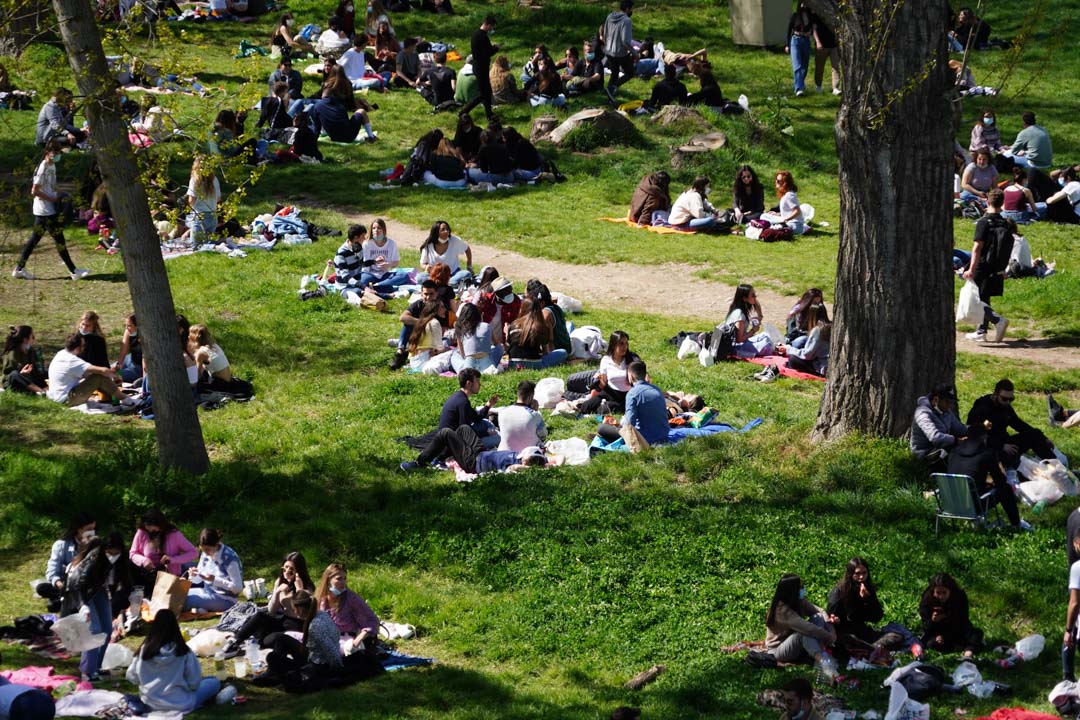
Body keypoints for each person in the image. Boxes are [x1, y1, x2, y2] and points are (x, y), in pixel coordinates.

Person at [12, 140, 88, 281]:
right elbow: (34, 191)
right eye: (55, 153)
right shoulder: (43, 168)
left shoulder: (52, 166)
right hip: (45, 210)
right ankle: (74, 271)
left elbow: (52, 186)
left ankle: (18, 269)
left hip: (47, 209)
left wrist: (63, 194)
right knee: (59, 240)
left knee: (34, 240)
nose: (57, 156)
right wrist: (52, 199)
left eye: (59, 153)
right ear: (48, 153)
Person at [125, 609, 221, 713]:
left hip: (150, 703)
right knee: (213, 682)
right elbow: (194, 683)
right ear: (175, 627)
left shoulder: (144, 650)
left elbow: (132, 677)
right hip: (181, 704)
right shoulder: (183, 651)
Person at [223, 552, 315, 657]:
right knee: (260, 616)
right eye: (285, 568)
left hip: (297, 627)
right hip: (282, 622)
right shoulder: (280, 582)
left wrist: (299, 590)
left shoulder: (307, 587)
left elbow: (305, 614)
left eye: (291, 570)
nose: (287, 572)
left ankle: (264, 641)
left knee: (270, 639)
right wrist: (276, 593)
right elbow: (271, 611)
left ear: (298, 571)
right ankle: (235, 642)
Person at [967, 378, 1060, 474]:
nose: (1008, 402)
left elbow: (1019, 424)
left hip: (1006, 443)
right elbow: (974, 435)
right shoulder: (982, 408)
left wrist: (1043, 438)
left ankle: (1057, 469)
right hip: (990, 448)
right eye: (1004, 399)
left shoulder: (1005, 407)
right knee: (1008, 457)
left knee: (1034, 434)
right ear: (995, 394)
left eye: (1011, 399)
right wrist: (1001, 446)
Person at [947, 426, 1028, 530]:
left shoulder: (954, 452)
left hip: (950, 504)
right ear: (984, 438)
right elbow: (1000, 481)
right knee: (1005, 489)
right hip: (973, 506)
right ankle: (1016, 524)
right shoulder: (986, 454)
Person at [961, 188, 1013, 343]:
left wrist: (970, 269)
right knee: (984, 296)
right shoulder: (1006, 222)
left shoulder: (983, 222)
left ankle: (997, 320)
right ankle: (981, 331)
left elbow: (977, 247)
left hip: (982, 265)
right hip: (996, 266)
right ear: (1002, 203)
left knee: (975, 299)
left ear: (987, 202)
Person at [826, 558, 905, 655]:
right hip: (845, 634)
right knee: (848, 641)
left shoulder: (868, 589)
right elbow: (829, 620)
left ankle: (869, 650)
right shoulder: (838, 593)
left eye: (864, 573)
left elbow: (876, 617)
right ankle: (872, 651)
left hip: (862, 632)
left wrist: (868, 599)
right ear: (850, 575)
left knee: (897, 637)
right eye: (857, 574)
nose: (861, 577)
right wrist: (835, 621)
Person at [60, 538, 112, 681]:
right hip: (81, 594)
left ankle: (97, 666)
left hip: (97, 590)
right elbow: (76, 586)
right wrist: (83, 606)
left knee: (107, 629)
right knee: (94, 630)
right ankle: (88, 671)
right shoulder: (89, 562)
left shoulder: (114, 561)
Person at [401, 425, 549, 474]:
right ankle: (439, 459)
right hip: (481, 453)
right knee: (464, 429)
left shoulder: (518, 465)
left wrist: (530, 468)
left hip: (473, 463)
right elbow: (557, 459)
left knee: (446, 433)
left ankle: (419, 463)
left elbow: (515, 467)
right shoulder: (522, 456)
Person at [764, 573, 836, 664]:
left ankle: (819, 649)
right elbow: (809, 629)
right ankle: (822, 660)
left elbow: (820, 611)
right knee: (802, 634)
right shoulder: (783, 611)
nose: (803, 589)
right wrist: (829, 636)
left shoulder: (799, 601)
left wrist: (829, 626)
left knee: (818, 617)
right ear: (793, 591)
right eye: (800, 586)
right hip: (778, 650)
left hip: (794, 642)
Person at [46, 334, 134, 407]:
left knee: (95, 376)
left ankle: (114, 396)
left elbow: (86, 374)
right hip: (67, 399)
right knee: (98, 377)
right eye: (83, 346)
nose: (84, 348)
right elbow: (101, 371)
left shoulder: (61, 354)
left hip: (56, 397)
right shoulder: (72, 361)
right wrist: (113, 374)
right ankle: (125, 399)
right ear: (77, 349)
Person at [596, 361, 669, 446]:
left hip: (644, 439)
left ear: (630, 375)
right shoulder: (657, 389)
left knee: (602, 428)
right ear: (645, 374)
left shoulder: (633, 393)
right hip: (664, 435)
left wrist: (621, 422)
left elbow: (629, 425)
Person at [566, 330, 639, 414]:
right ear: (614, 345)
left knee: (606, 408)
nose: (625, 346)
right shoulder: (606, 360)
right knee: (586, 406)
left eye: (626, 343)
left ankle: (602, 408)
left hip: (626, 395)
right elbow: (603, 382)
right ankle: (572, 407)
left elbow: (640, 376)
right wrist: (596, 392)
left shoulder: (632, 359)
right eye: (621, 343)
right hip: (610, 391)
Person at [36, 512, 96, 613]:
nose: (92, 532)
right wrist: (62, 586)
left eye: (93, 529)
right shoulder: (62, 545)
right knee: (42, 588)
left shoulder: (95, 544)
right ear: (79, 529)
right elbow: (52, 572)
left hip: (88, 586)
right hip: (66, 585)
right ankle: (63, 597)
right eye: (89, 529)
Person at [314, 564, 380, 652]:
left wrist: (357, 641)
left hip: (347, 641)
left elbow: (372, 621)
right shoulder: (321, 599)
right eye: (339, 579)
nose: (343, 582)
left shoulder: (351, 598)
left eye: (344, 578)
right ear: (328, 580)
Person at [128, 509, 198, 589]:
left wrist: (172, 559)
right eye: (148, 529)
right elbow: (132, 553)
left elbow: (194, 553)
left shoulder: (174, 534)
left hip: (170, 578)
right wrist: (144, 561)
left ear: (161, 525)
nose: (150, 531)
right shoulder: (142, 532)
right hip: (147, 578)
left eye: (153, 529)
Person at [918, 573, 982, 656]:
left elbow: (963, 619)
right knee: (931, 643)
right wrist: (933, 621)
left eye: (944, 592)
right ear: (933, 592)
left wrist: (947, 616)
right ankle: (962, 647)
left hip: (956, 628)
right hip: (936, 631)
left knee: (975, 634)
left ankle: (968, 650)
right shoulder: (927, 599)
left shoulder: (959, 596)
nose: (941, 596)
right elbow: (925, 626)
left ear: (950, 591)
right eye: (938, 593)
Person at [184, 528, 243, 612]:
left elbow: (238, 588)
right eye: (203, 549)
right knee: (180, 595)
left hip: (225, 598)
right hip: (207, 592)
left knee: (184, 601)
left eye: (208, 550)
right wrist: (194, 575)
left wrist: (214, 579)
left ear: (216, 544)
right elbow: (198, 580)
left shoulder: (229, 558)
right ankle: (203, 608)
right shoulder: (205, 554)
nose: (206, 553)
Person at [909, 384, 968, 461]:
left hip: (942, 447)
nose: (949, 405)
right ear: (936, 399)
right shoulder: (922, 413)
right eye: (947, 401)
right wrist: (956, 440)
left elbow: (960, 428)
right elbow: (935, 437)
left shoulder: (946, 411)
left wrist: (977, 428)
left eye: (950, 402)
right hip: (925, 453)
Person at [506, 299, 567, 369]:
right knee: (563, 352)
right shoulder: (540, 326)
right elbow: (545, 352)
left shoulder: (514, 324)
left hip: (513, 364)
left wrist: (507, 334)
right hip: (535, 364)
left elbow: (508, 348)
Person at [460, 15, 498, 120]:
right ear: (488, 25)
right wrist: (495, 48)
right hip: (481, 67)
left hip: (478, 66)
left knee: (487, 92)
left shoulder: (475, 34)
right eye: (492, 27)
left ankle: (489, 114)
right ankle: (464, 111)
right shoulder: (482, 36)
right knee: (483, 93)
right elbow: (486, 53)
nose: (492, 30)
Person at [450, 302, 503, 373]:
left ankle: (463, 369)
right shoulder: (486, 326)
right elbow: (497, 344)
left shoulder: (461, 329)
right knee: (499, 348)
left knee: (454, 355)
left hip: (469, 363)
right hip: (487, 363)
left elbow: (463, 355)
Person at [778, 303, 829, 376]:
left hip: (822, 365)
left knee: (793, 359)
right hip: (824, 360)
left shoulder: (817, 330)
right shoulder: (829, 327)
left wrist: (788, 349)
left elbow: (807, 355)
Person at [496, 380, 547, 452]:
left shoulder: (502, 412)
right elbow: (543, 435)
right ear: (531, 396)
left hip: (504, 453)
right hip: (528, 455)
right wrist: (536, 411)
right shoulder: (534, 415)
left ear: (518, 394)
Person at [358, 218, 406, 294]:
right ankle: (384, 287)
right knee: (362, 281)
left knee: (404, 276)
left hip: (385, 274)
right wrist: (374, 262)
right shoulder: (367, 244)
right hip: (370, 274)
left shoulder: (391, 243)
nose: (376, 230)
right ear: (371, 230)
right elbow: (365, 265)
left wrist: (388, 265)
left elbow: (396, 262)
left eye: (379, 228)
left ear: (383, 230)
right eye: (374, 228)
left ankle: (377, 286)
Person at [724, 284, 773, 358]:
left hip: (742, 342)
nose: (755, 297)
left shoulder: (739, 307)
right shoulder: (739, 314)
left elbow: (757, 307)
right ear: (744, 298)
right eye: (753, 295)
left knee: (767, 335)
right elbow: (739, 339)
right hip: (736, 347)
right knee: (766, 344)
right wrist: (753, 331)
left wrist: (759, 315)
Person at [600, 0, 635, 103]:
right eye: (632, 8)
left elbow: (605, 33)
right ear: (628, 9)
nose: (632, 11)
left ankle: (608, 92)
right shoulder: (627, 21)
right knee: (630, 72)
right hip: (620, 53)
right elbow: (625, 41)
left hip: (608, 51)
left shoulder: (610, 16)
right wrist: (635, 53)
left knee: (614, 72)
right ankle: (612, 87)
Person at [419, 220, 472, 285]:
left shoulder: (454, 241)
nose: (446, 231)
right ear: (436, 232)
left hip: (452, 275)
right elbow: (422, 263)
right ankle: (444, 284)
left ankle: (443, 284)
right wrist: (426, 267)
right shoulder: (428, 245)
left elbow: (466, 248)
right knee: (419, 277)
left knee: (466, 274)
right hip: (434, 276)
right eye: (443, 230)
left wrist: (469, 266)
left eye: (447, 229)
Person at [2, 325, 46, 395]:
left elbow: (36, 371)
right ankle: (41, 391)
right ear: (25, 339)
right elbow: (9, 376)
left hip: (30, 379)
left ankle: (45, 389)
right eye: (32, 337)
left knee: (47, 371)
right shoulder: (12, 354)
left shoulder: (31, 351)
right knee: (14, 374)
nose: (34, 339)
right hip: (16, 383)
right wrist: (22, 373)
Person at [102, 532, 134, 627]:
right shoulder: (99, 559)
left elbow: (127, 582)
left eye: (116, 553)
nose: (113, 556)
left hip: (118, 589)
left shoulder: (124, 559)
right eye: (110, 553)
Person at [407, 300, 450, 371]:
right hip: (425, 362)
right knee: (453, 353)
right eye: (442, 307)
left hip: (414, 362)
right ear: (435, 310)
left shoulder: (421, 322)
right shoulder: (434, 323)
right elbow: (440, 348)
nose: (445, 309)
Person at [185, 155, 219, 244]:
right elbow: (218, 199)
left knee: (196, 246)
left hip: (199, 215)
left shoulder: (195, 180)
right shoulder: (214, 179)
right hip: (213, 215)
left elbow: (191, 200)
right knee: (209, 244)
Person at [785, 1, 814, 96]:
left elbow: (813, 29)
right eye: (802, 3)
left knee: (804, 66)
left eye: (806, 4)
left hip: (806, 41)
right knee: (797, 65)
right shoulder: (795, 16)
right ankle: (799, 89)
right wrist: (787, 45)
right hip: (795, 41)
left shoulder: (810, 16)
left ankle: (799, 83)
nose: (804, 6)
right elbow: (789, 30)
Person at [333, 224, 368, 297]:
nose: (365, 239)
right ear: (356, 238)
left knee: (381, 285)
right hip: (345, 287)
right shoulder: (341, 253)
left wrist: (374, 262)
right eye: (363, 236)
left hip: (357, 282)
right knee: (359, 292)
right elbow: (346, 277)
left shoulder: (359, 248)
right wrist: (363, 286)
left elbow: (361, 264)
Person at [811, 6, 840, 95]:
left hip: (833, 45)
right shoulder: (817, 14)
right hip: (821, 45)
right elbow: (814, 29)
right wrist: (818, 42)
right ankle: (818, 85)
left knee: (836, 67)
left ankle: (835, 88)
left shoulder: (834, 13)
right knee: (819, 67)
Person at [112, 314, 143, 384]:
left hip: (138, 368)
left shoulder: (143, 335)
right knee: (108, 370)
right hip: (129, 359)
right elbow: (123, 352)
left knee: (111, 377)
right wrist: (118, 369)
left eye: (129, 325)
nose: (127, 328)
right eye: (125, 325)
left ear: (137, 326)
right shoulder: (128, 332)